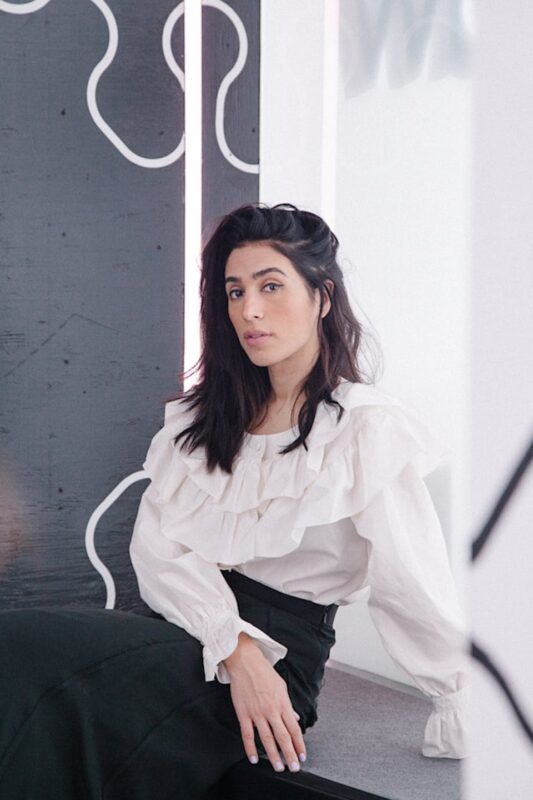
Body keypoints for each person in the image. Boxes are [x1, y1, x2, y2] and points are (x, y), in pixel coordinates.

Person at [0, 202, 469, 799]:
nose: (249, 310)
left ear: (322, 299)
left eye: (271, 287)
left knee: (24, 662)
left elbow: (412, 583)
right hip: (195, 633)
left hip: (280, 666)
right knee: (19, 651)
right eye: (234, 290)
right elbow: (159, 552)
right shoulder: (203, 420)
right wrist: (235, 647)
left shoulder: (364, 429)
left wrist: (459, 704)